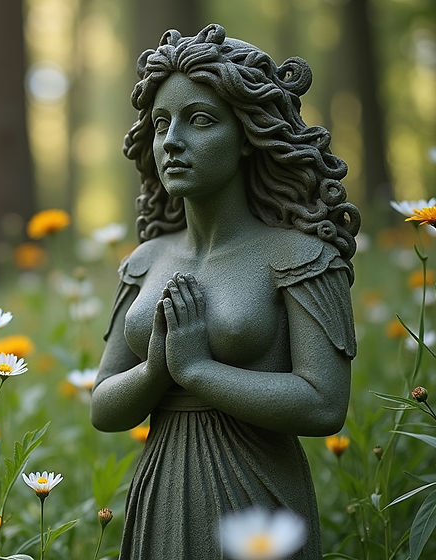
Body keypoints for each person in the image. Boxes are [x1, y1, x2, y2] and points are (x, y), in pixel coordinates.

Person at [90, 23, 359, 559]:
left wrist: (196, 371)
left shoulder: (300, 256)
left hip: (257, 502)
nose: (172, 141)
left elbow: (325, 404)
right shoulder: (145, 262)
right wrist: (155, 371)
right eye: (162, 123)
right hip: (160, 495)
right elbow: (103, 406)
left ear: (246, 136)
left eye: (200, 121)